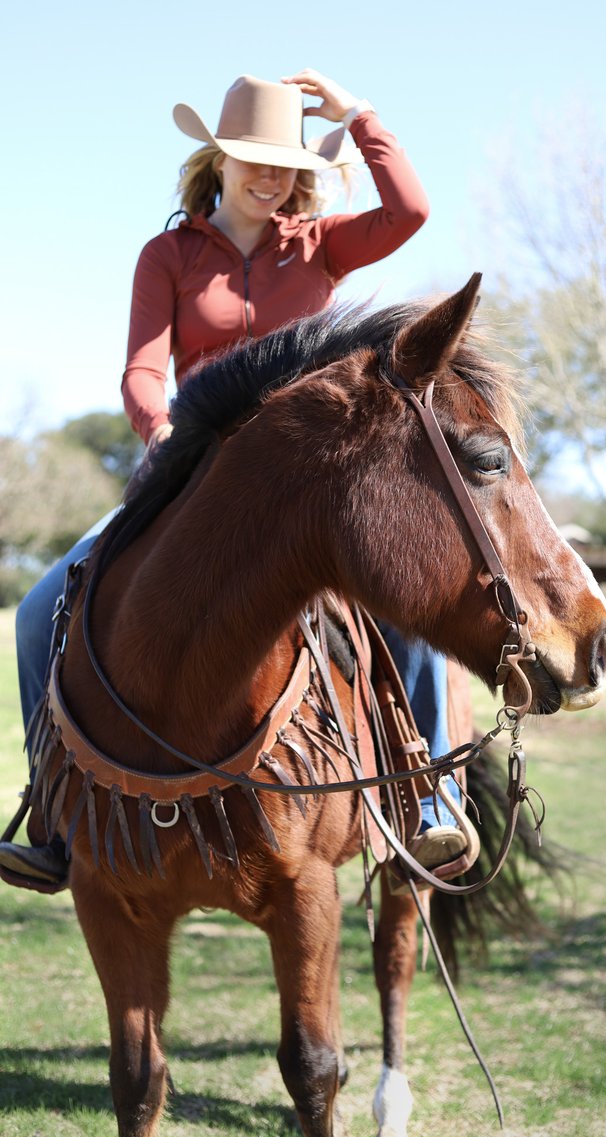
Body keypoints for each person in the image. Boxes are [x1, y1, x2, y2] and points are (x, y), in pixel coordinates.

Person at [0, 69, 474, 890]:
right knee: (43, 608)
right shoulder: (169, 255)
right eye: (250, 159)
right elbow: (143, 371)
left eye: (284, 163)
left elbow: (412, 212)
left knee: (410, 613)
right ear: (216, 160)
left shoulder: (321, 243)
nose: (268, 177)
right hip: (190, 480)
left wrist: (358, 115)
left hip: (310, 493)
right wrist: (162, 431)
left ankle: (429, 803)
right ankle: (54, 810)